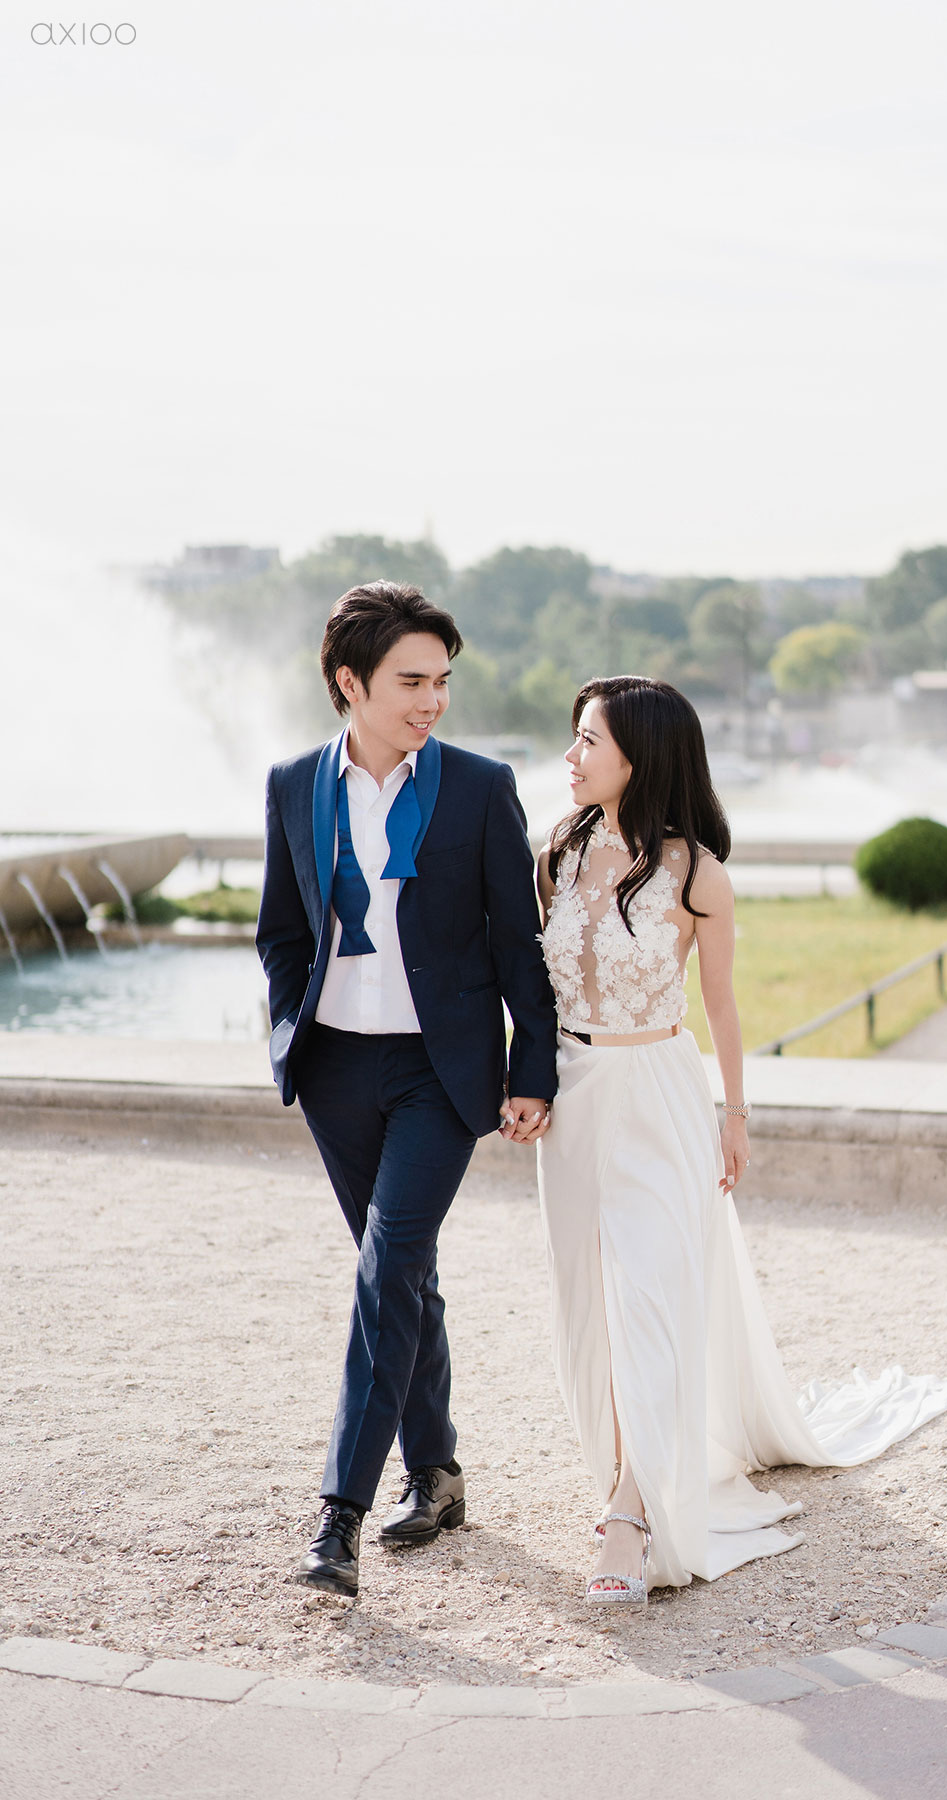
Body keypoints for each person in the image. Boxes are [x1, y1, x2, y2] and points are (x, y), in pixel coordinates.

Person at [536, 676, 947, 1606]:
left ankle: (633, 1508)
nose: (571, 756)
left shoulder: (698, 875)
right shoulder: (557, 853)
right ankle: (624, 1464)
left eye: (588, 740)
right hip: (571, 1100)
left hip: (659, 1096)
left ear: (640, 756)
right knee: (590, 1303)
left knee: (651, 1296)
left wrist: (735, 1114)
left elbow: (721, 1007)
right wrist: (522, 1083)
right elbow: (537, 989)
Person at [256, 581, 557, 1598]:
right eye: (412, 681)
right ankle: (437, 1470)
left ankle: (338, 1514)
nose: (434, 700)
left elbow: (517, 941)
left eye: (443, 681)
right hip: (336, 1067)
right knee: (402, 1276)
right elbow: (281, 930)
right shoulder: (293, 784)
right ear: (351, 682)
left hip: (441, 1070)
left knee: (388, 1270)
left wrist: (532, 1069)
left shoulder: (477, 785)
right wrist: (288, 1033)